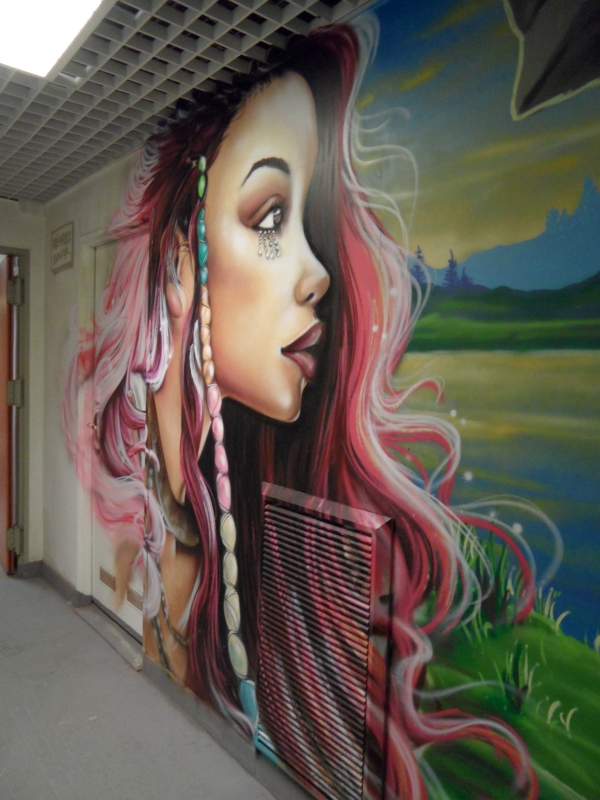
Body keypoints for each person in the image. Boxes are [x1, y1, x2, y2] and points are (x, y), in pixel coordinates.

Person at [63, 19, 538, 800]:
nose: (317, 273)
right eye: (270, 218)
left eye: (311, 226)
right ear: (181, 261)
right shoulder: (160, 488)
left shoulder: (248, 504)